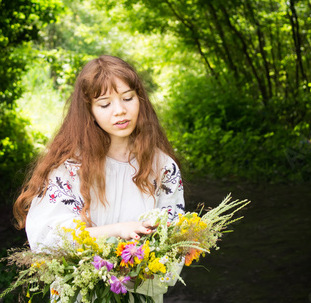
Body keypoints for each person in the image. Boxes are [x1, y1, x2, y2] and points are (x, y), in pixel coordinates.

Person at [13, 55, 185, 302]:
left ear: (140, 100)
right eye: (105, 104)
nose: (120, 111)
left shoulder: (161, 167)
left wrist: (138, 269)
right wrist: (117, 231)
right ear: (89, 111)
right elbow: (48, 236)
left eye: (128, 98)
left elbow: (174, 237)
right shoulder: (68, 167)